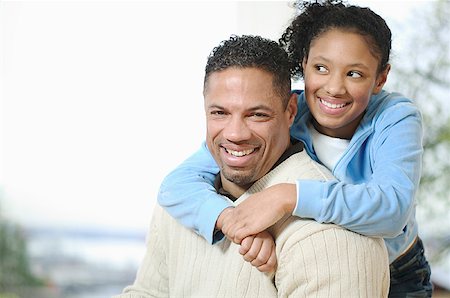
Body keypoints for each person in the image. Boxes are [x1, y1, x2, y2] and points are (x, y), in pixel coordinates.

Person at [157, 1, 432, 297]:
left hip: (399, 269)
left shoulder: (395, 117)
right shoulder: (283, 113)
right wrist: (228, 218)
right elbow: (177, 184)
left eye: (354, 74)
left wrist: (288, 196)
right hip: (326, 262)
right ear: (303, 64)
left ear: (380, 78)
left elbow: (392, 209)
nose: (335, 87)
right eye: (321, 68)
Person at [115, 35, 389, 297]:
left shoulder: (330, 238)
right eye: (219, 113)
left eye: (257, 115)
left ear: (291, 111)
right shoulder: (179, 204)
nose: (235, 133)